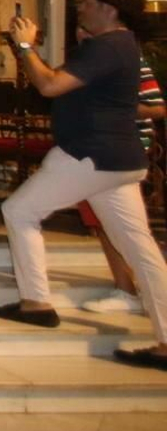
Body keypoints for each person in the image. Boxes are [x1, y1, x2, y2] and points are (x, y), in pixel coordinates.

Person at [0, 0, 167, 369]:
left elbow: (49, 84)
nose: (81, 7)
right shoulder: (119, 46)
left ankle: (36, 302)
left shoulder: (108, 45)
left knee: (19, 211)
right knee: (141, 249)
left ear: (110, 8)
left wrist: (25, 46)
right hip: (117, 159)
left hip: (90, 155)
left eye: (87, 2)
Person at [81, 61, 165, 315]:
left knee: (125, 227)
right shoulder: (91, 59)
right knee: (104, 222)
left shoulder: (130, 61)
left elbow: (157, 108)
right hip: (96, 149)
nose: (81, 34)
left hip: (120, 151)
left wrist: (111, 109)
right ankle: (127, 286)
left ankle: (130, 289)